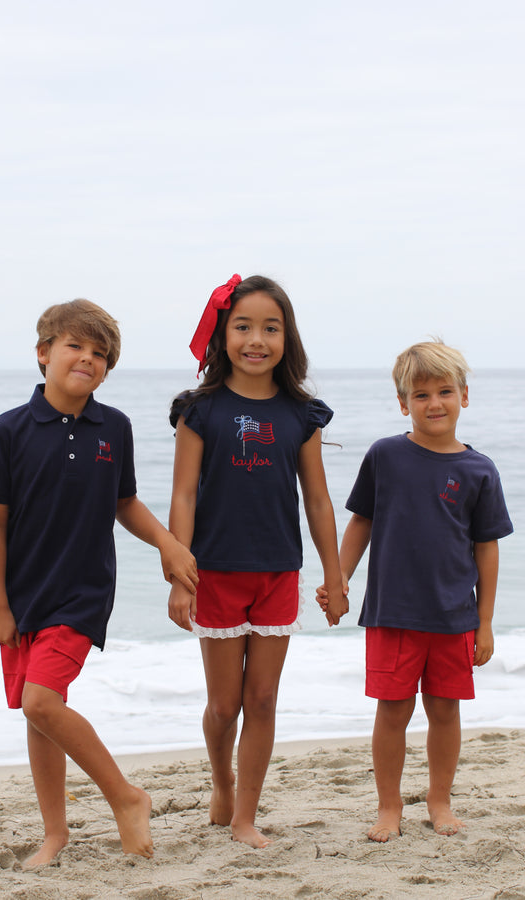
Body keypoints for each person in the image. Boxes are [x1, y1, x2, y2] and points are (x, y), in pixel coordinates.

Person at [0, 299, 198, 867]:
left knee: (42, 701)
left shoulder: (113, 427)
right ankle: (56, 832)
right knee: (39, 711)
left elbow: (124, 502)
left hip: (82, 592)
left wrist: (169, 544)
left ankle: (126, 797)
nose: (88, 359)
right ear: (44, 352)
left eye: (100, 354)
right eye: (76, 346)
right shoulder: (7, 431)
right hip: (24, 596)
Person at [168, 274, 348, 849]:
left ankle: (246, 814)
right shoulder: (200, 411)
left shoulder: (301, 414)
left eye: (271, 328)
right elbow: (184, 496)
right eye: (243, 326)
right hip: (215, 572)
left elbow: (317, 500)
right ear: (223, 335)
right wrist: (179, 575)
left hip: (278, 571)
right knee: (224, 705)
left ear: (286, 337)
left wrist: (335, 574)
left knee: (263, 699)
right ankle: (221, 784)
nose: (256, 339)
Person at [329, 340, 513, 843]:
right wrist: (339, 578)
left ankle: (439, 800)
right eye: (421, 393)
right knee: (392, 710)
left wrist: (487, 621)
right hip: (392, 613)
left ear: (464, 397)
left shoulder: (480, 470)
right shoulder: (385, 455)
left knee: (445, 710)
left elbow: (487, 549)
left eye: (445, 391)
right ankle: (389, 807)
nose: (434, 403)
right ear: (402, 402)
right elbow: (360, 521)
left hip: (455, 616)